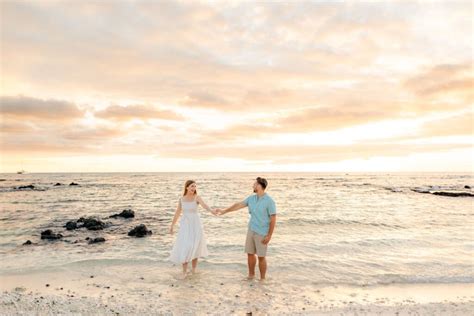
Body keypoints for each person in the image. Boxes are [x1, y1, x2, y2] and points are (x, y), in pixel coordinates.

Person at [216, 177, 276, 281]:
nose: (253, 186)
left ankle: (262, 279)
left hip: (262, 232)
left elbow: (273, 218)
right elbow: (238, 205)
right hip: (251, 229)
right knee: (250, 253)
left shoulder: (269, 201)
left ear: (260, 186)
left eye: (254, 184)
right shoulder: (251, 198)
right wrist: (224, 211)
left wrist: (269, 235)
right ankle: (251, 275)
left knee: (261, 256)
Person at [169, 180, 217, 279]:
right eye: (192, 186)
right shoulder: (181, 199)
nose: (194, 188)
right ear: (187, 187)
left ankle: (194, 270)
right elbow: (178, 213)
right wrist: (172, 225)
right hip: (185, 226)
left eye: (195, 186)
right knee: (186, 246)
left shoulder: (197, 197)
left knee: (196, 245)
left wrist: (212, 211)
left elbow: (204, 206)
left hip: (196, 224)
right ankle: (184, 271)